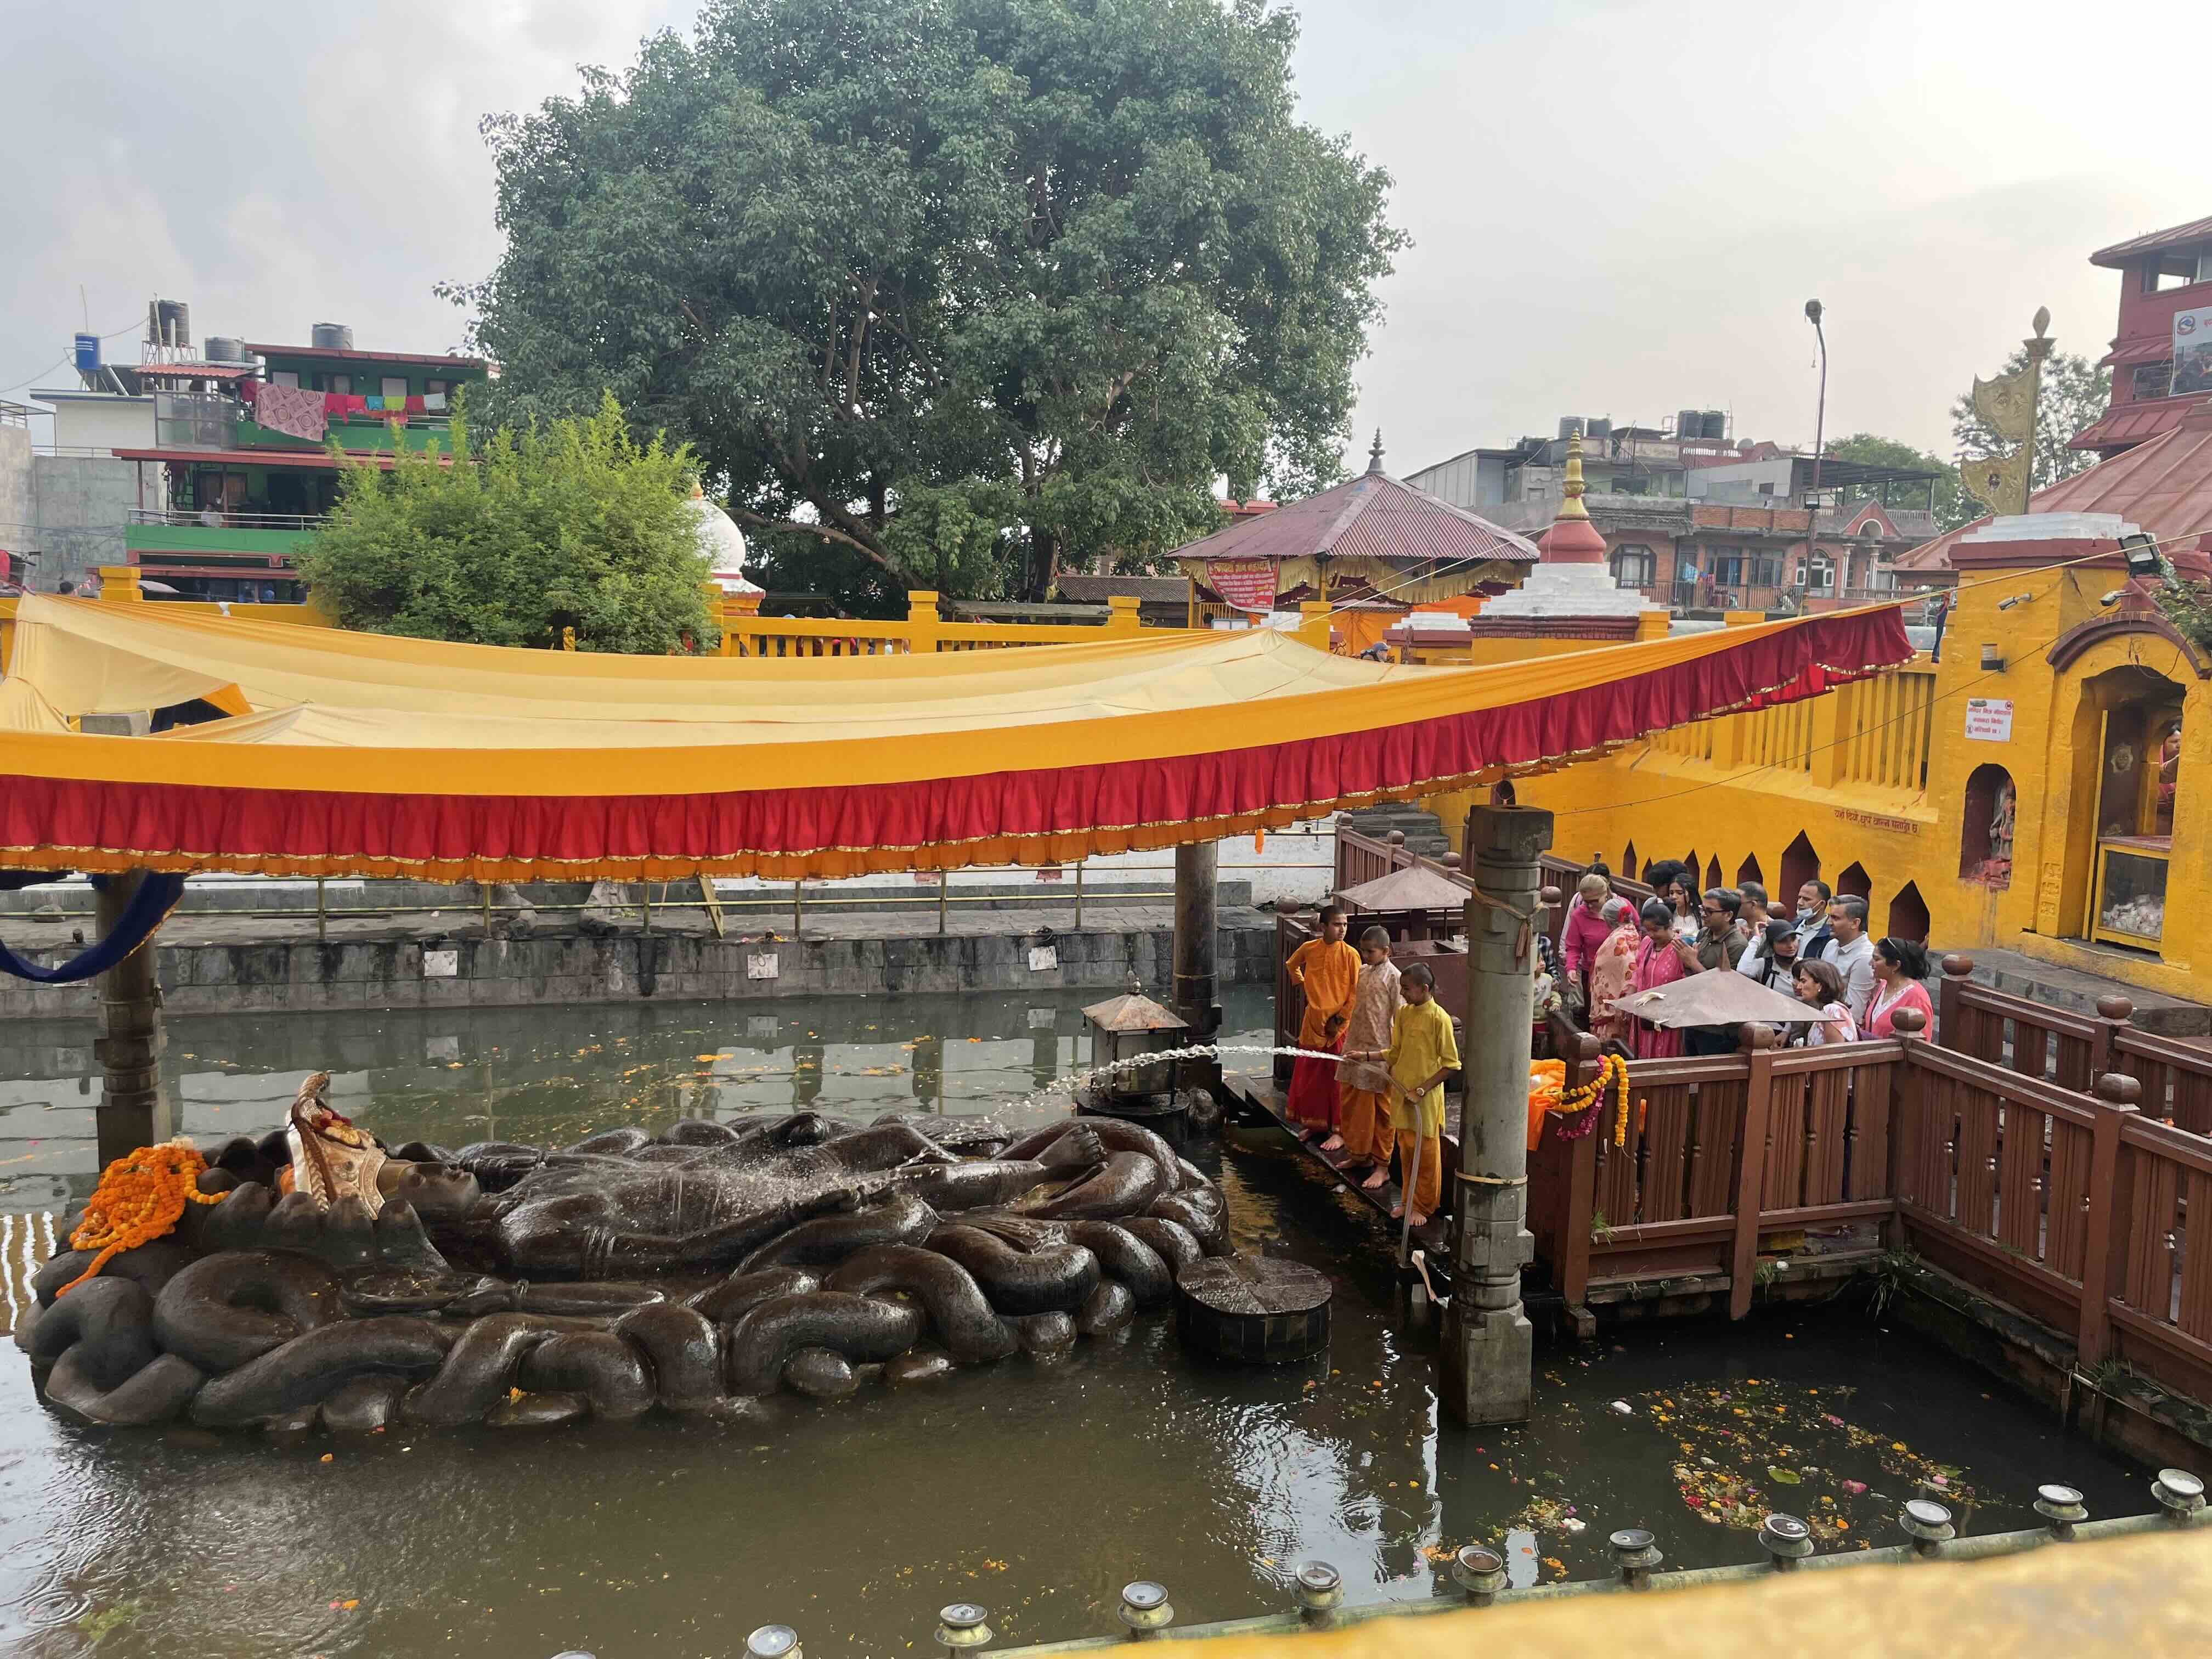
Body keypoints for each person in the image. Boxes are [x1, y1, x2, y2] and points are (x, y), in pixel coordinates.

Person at [1347, 961, 1458, 1229]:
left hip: (1425, 1101)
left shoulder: (1439, 1019)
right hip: (1401, 1095)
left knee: (1426, 1155)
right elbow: (1394, 1053)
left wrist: (1421, 1090)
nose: (1404, 994)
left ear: (1425, 989)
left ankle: (1424, 1206)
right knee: (1407, 1152)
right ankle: (1409, 1201)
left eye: (1407, 989)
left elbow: (1452, 1064)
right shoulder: (1405, 1014)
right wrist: (1364, 1057)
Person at [1285, 904, 1361, 1141]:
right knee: (1312, 1077)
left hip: (1339, 1026)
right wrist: (1301, 983)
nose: (1342, 930)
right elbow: (1291, 964)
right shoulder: (1310, 948)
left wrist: (1338, 1020)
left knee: (1337, 1078)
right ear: (1323, 927)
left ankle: (1338, 1131)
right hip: (1314, 1021)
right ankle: (1316, 1125)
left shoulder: (1351, 954)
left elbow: (1355, 993)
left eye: (1345, 925)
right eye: (1337, 925)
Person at [1335, 926, 1402, 1182]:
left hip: (1379, 1051)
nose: (1365, 956)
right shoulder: (1363, 972)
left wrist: (1393, 1056)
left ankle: (1382, 1166)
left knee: (1382, 1111)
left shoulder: (1394, 978)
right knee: (1353, 1103)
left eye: (1370, 952)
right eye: (1363, 951)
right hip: (1356, 1044)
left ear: (1386, 951)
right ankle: (1358, 1154)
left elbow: (1399, 1017)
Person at [1628, 897, 1701, 1059]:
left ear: (1670, 926)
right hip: (1645, 1013)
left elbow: (1693, 982)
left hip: (1668, 1018)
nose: (1651, 934)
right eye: (1648, 930)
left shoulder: (1681, 948)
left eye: (1656, 930)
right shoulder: (1646, 943)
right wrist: (1629, 996)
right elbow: (1638, 971)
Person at [1587, 896, 1640, 1044]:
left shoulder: (1618, 939)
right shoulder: (1633, 932)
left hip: (1611, 1008)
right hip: (1623, 1001)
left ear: (1608, 920)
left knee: (1609, 1049)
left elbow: (1627, 966)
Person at [1865, 936, 1934, 1038]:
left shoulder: (1917, 997)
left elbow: (1922, 1041)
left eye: (1877, 959)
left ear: (1896, 965)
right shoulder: (1883, 986)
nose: (1871, 963)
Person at [1560, 871, 1614, 997]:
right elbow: (1573, 947)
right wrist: (1571, 968)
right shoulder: (1579, 915)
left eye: (1594, 901)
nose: (1590, 905)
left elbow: (1636, 929)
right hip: (1591, 972)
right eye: (1586, 901)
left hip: (1617, 972)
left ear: (1605, 894)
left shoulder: (1621, 907)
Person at [1825, 896, 1876, 1025]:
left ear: (1855, 923)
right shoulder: (1831, 945)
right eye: (1829, 916)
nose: (1829, 923)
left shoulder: (1865, 958)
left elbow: (1854, 1013)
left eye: (1835, 918)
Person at [1791, 957, 1857, 1046]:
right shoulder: (1827, 1010)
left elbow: (1834, 1054)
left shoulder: (1832, 1010)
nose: (1799, 987)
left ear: (1820, 984)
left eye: (1803, 981)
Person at [1793, 880, 1834, 957]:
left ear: (1822, 904)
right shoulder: (1793, 925)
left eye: (1807, 899)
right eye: (1799, 897)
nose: (1800, 903)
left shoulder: (1831, 933)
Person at [1735, 882, 1771, 960]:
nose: (1733, 906)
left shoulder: (1773, 931)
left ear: (1753, 905)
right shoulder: (1736, 925)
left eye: (1737, 902)